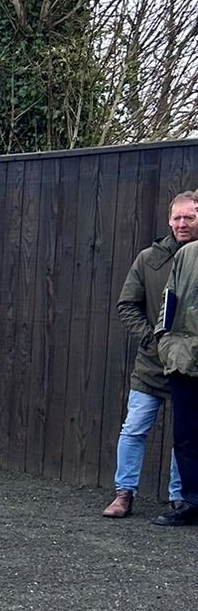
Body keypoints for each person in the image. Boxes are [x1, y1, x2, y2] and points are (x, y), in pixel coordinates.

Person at [102, 188, 198, 518]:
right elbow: (127, 304)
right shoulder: (149, 259)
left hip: (190, 366)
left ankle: (179, 497)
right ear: (169, 219)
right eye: (177, 217)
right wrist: (151, 340)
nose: (182, 223)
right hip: (152, 364)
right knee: (134, 428)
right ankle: (123, 493)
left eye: (190, 217)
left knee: (185, 434)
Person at [155, 235, 198, 527]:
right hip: (184, 360)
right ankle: (192, 502)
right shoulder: (187, 254)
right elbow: (168, 299)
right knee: (186, 437)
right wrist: (164, 339)